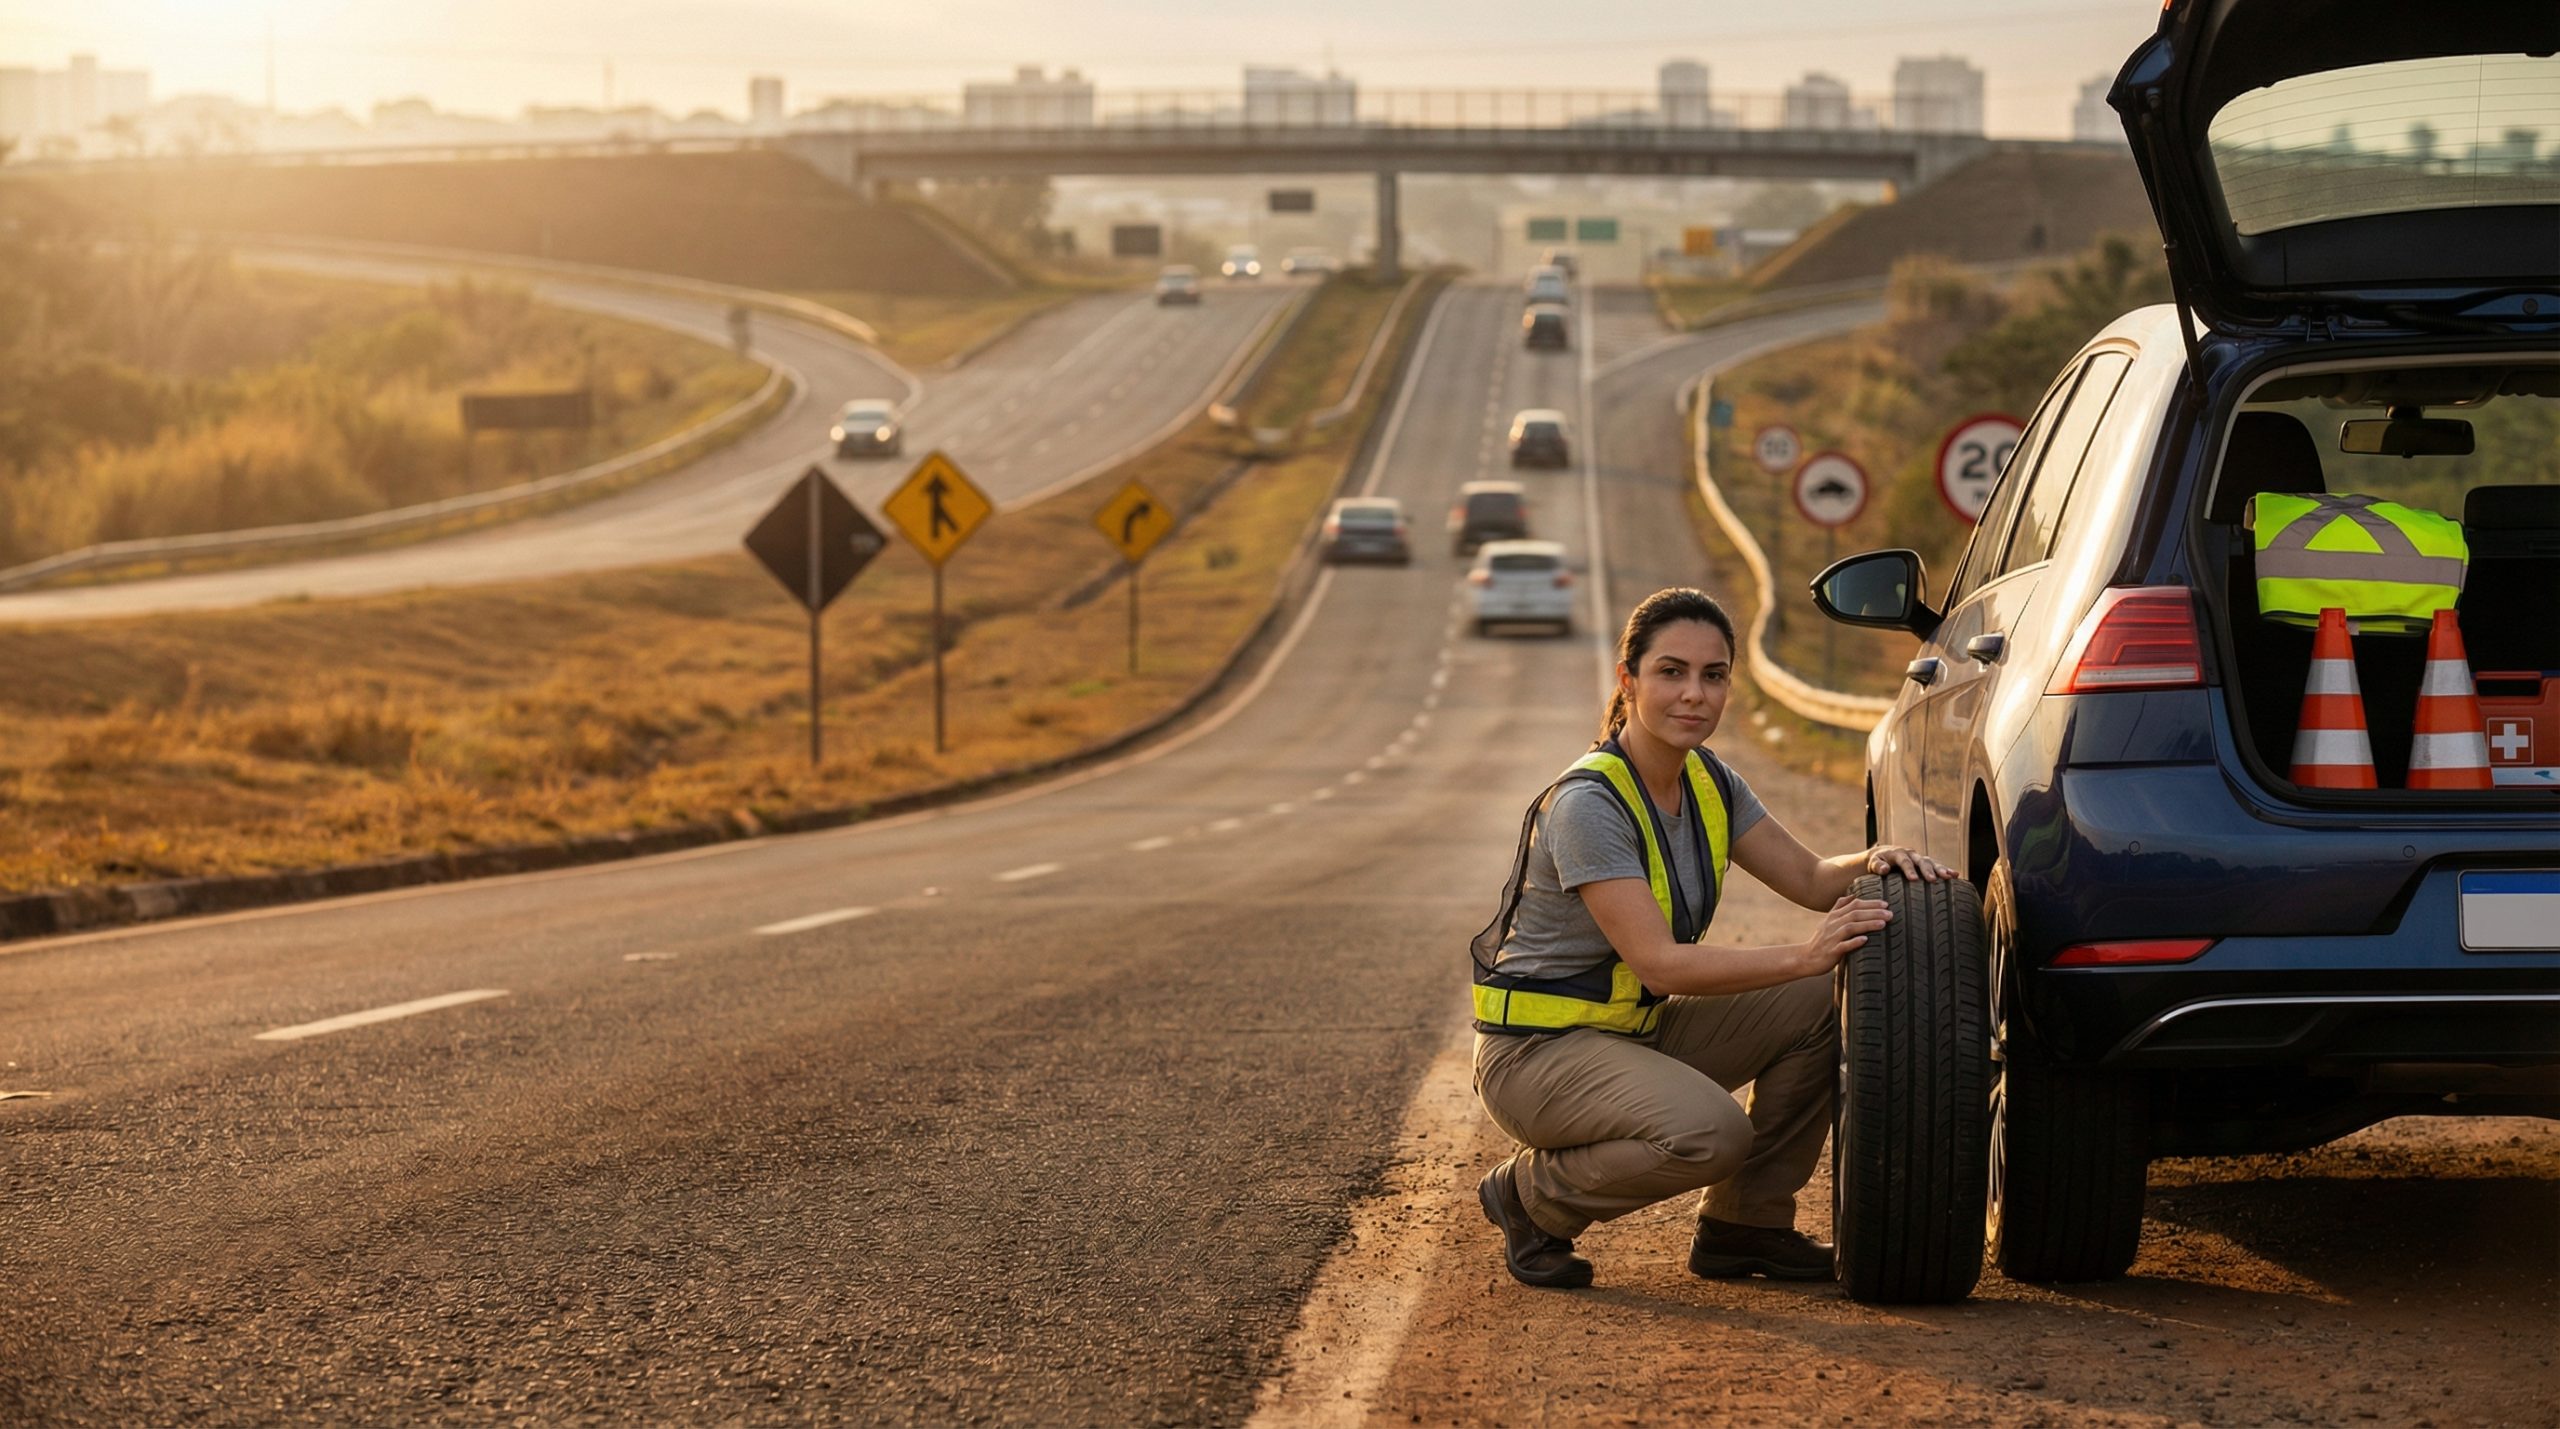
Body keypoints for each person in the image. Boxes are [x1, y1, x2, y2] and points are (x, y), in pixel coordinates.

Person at [1470, 587, 1954, 1288]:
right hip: (1535, 1056)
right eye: (1671, 672)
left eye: (1714, 674)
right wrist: (1803, 953)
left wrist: (1878, 858)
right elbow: (1659, 966)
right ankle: (1530, 1196)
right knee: (1712, 1132)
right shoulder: (1587, 804)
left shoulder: (1710, 782)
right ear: (1628, 680)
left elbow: (1812, 877)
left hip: (1629, 1033)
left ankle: (1744, 1226)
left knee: (1824, 999)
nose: (1694, 693)